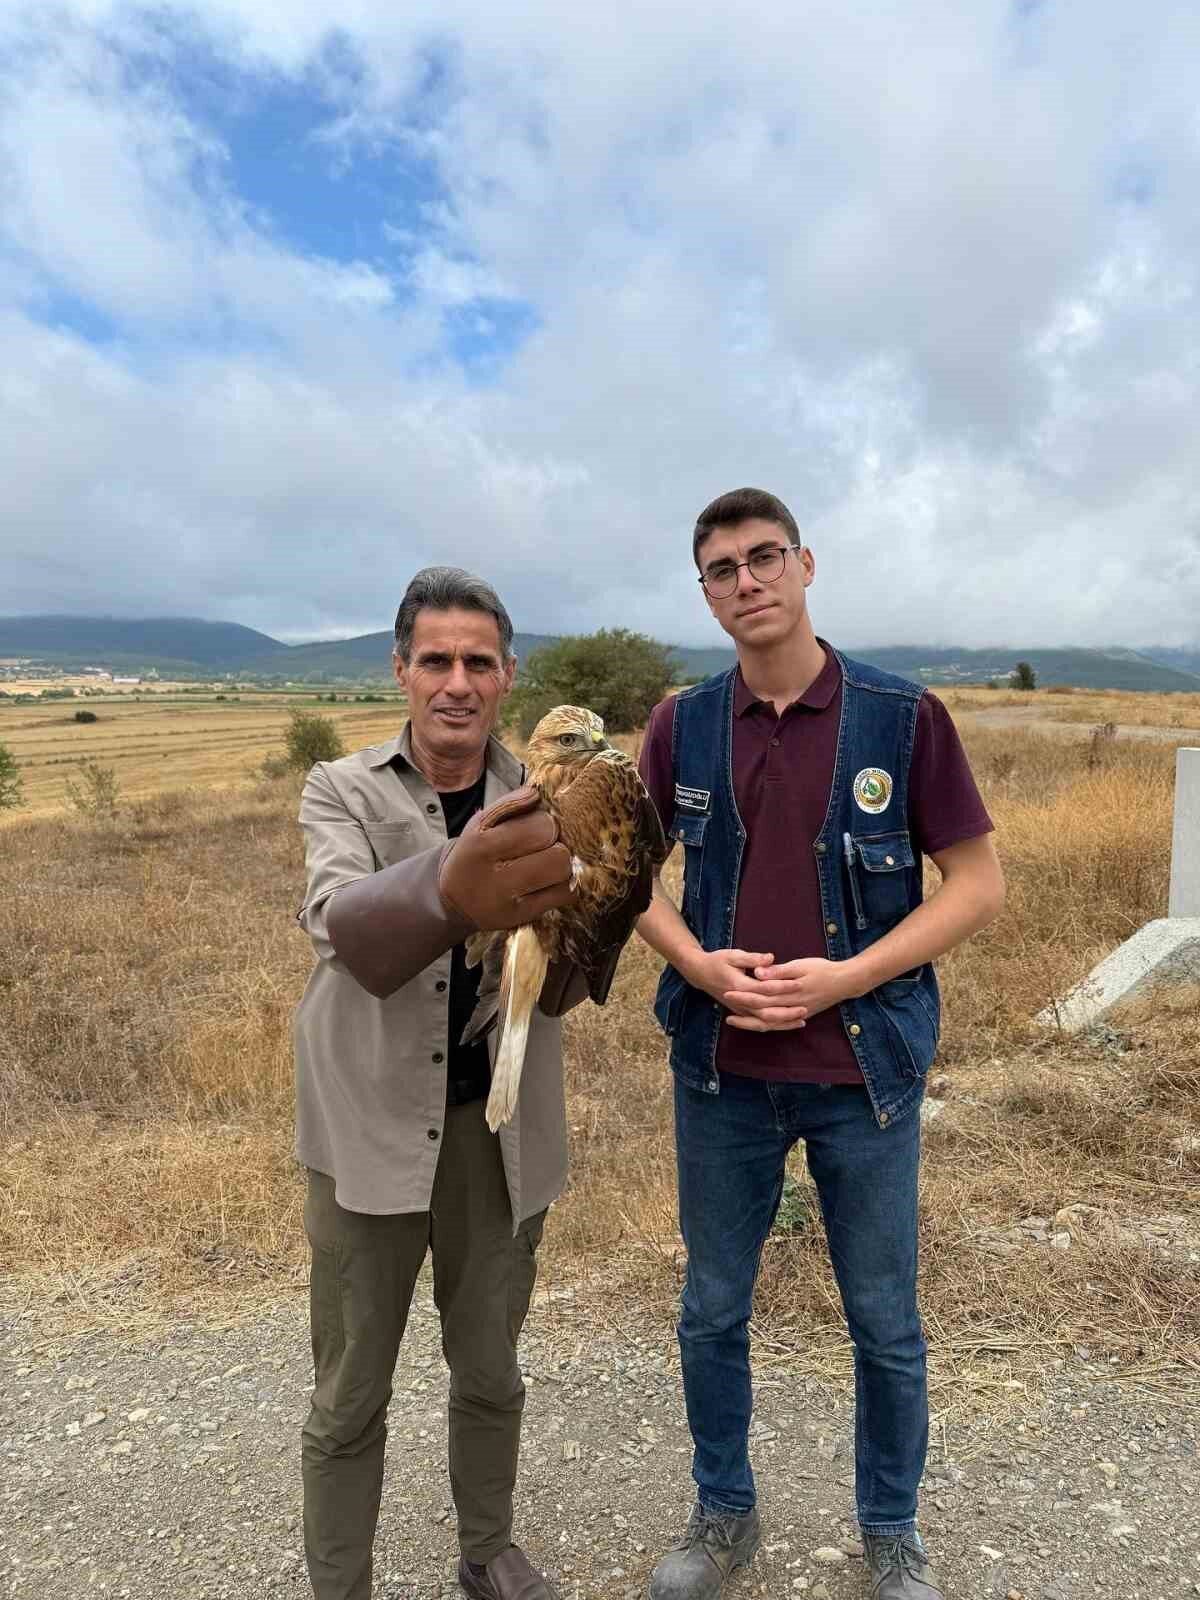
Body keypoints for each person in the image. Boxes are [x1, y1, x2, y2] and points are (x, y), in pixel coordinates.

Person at [635, 489, 1005, 1600]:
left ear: (806, 564)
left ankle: (891, 1531)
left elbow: (978, 885)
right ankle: (724, 1516)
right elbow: (617, 880)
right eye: (719, 569)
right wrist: (696, 961)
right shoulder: (682, 725)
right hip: (722, 1074)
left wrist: (849, 975)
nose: (744, 582)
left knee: (885, 1319)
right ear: (704, 593)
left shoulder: (902, 718)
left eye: (762, 559)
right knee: (712, 1307)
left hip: (865, 1076)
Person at [293, 566, 582, 1600]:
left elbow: (568, 983)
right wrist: (460, 879)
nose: (455, 682)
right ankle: (342, 1586)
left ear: (508, 676)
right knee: (350, 1389)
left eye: (478, 661)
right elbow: (347, 930)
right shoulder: (342, 790)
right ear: (401, 671)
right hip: (369, 1127)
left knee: (492, 1366)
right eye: (435, 660)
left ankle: (488, 1547)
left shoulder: (550, 797)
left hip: (498, 1129)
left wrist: (604, 898)